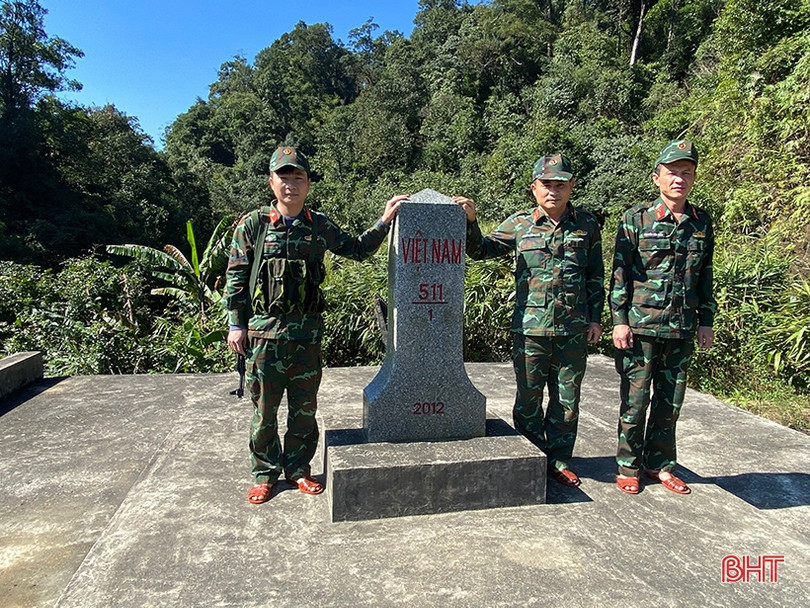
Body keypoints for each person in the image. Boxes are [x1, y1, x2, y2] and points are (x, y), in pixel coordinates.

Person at [224, 146, 406, 504]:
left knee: (304, 410)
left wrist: (384, 223)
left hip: (306, 337)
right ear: (271, 182)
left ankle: (298, 470)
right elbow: (236, 277)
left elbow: (356, 248)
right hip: (263, 336)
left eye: (298, 177)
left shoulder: (317, 224)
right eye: (284, 177)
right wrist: (236, 325)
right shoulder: (254, 225)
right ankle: (264, 473)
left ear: (308, 184)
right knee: (264, 412)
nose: (291, 184)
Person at [454, 154, 604, 487]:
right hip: (531, 329)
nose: (554, 190)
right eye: (547, 184)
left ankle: (560, 460)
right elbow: (481, 250)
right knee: (528, 400)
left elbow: (595, 275)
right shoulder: (520, 224)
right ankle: (530, 460)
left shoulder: (587, 225)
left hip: (573, 329)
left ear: (571, 187)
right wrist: (471, 222)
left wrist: (596, 319)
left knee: (566, 401)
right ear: (534, 188)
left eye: (561, 184)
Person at [610, 139, 715, 496]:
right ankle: (628, 465)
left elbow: (705, 276)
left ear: (694, 178)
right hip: (640, 327)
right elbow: (620, 274)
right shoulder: (635, 220)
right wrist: (619, 320)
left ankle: (660, 465)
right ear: (657, 178)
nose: (679, 180)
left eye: (686, 173)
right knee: (635, 401)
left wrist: (706, 321)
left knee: (670, 403)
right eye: (672, 173)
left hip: (682, 327)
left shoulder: (701, 224)